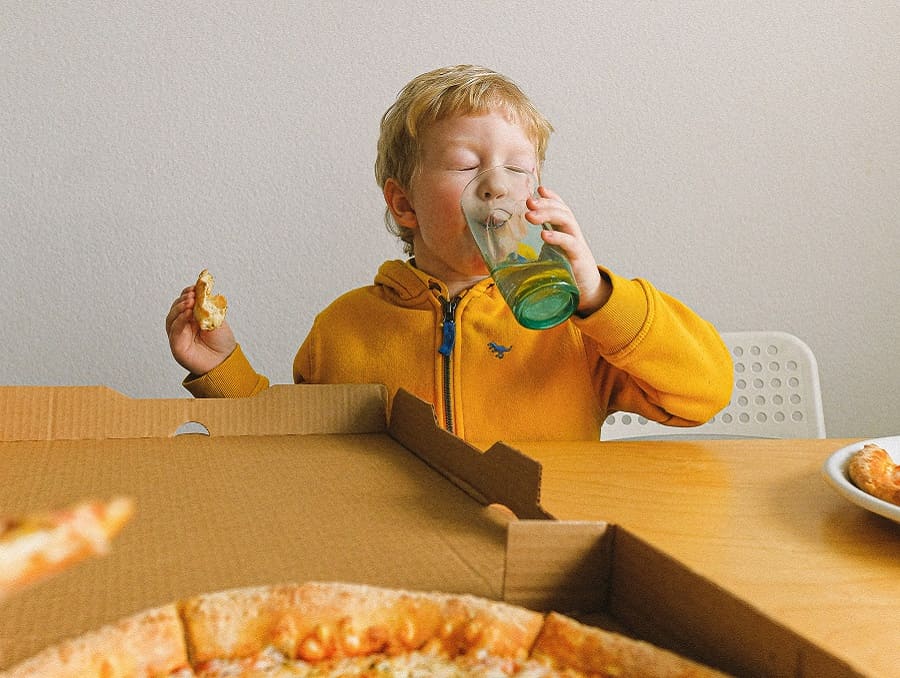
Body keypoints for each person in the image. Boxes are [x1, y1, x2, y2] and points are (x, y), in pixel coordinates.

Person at [166, 65, 732, 443]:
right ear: (404, 204)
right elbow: (291, 447)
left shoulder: (574, 328)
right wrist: (221, 367)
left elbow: (703, 393)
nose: (497, 186)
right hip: (390, 558)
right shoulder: (345, 326)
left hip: (538, 550)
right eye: (467, 165)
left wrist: (601, 297)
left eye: (518, 168)